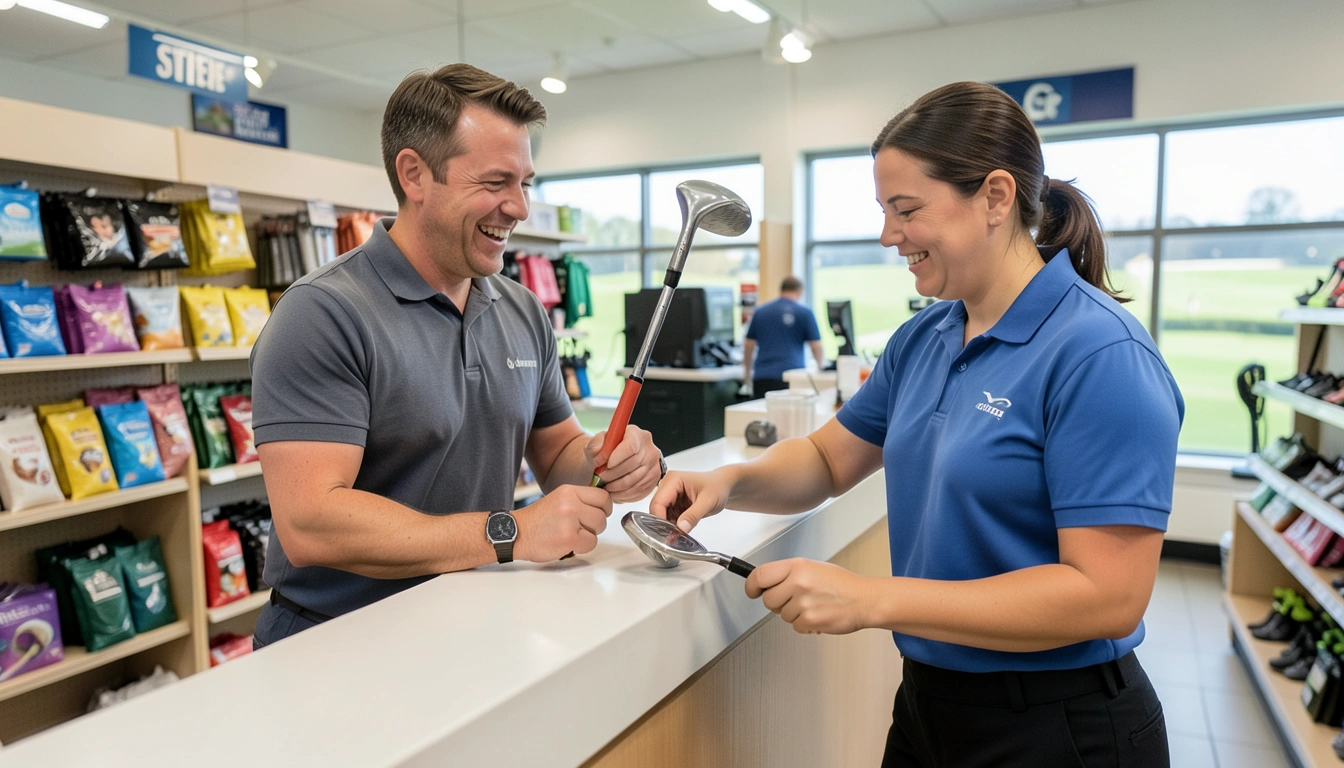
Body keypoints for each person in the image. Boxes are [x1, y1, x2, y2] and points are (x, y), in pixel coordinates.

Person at [652, 81, 1182, 768]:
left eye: (906, 210)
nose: (887, 236)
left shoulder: (1100, 355)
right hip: (931, 707)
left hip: (1058, 727)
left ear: (995, 197)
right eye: (883, 211)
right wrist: (728, 481)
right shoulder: (926, 335)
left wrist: (874, 599)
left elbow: (1107, 596)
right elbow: (826, 459)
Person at [249, 64, 666, 648]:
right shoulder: (323, 314)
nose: (519, 207)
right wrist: (511, 532)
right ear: (415, 174)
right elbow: (312, 523)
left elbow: (559, 454)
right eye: (496, 182)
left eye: (525, 182)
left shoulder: (521, 310)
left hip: (476, 623)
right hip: (339, 643)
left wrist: (609, 456)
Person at [739, 276, 825, 398]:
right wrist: (821, 368)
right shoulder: (804, 312)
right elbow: (816, 345)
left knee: (762, 414)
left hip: (762, 377)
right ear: (800, 291)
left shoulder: (760, 311)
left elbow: (748, 344)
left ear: (781, 290)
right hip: (792, 377)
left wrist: (747, 374)